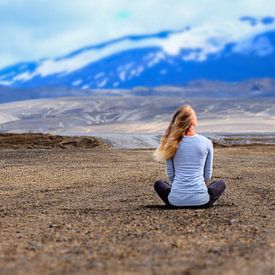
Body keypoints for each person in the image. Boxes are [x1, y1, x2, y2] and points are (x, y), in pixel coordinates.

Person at [152, 104, 226, 209]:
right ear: (192, 121)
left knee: (159, 184)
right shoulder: (207, 142)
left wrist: (181, 190)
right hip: (202, 201)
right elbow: (207, 175)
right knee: (220, 183)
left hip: (175, 202)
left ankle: (179, 197)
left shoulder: (171, 143)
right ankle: (195, 197)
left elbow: (171, 174)